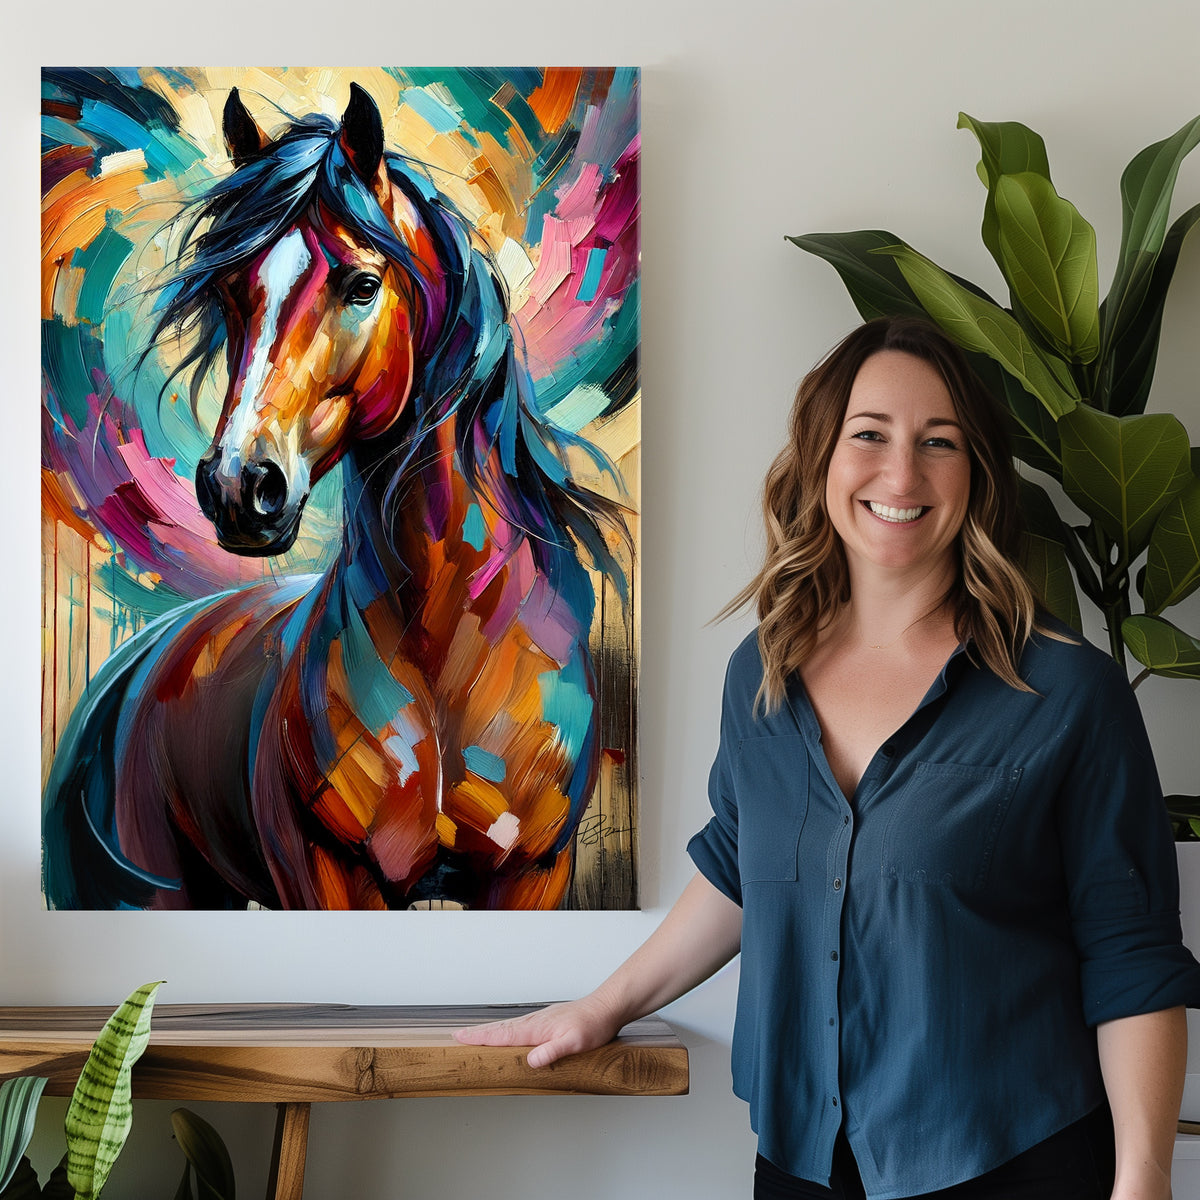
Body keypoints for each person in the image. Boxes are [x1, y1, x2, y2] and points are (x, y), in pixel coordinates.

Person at [456, 316, 1200, 1199]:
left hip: (1012, 1159)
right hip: (803, 1164)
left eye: (939, 442)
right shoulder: (762, 675)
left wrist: (1143, 1179)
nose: (902, 475)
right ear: (821, 458)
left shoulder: (1068, 692)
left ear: (977, 473)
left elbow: (1131, 955)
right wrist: (601, 1006)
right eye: (870, 435)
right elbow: (740, 864)